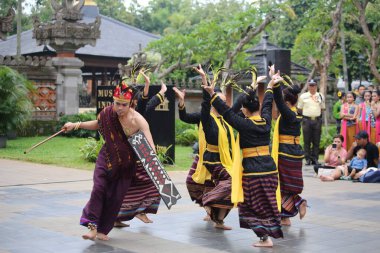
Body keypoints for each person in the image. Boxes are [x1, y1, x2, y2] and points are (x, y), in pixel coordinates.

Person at [63, 81, 157, 241]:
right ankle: (92, 226)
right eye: (116, 103)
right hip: (106, 156)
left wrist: (150, 162)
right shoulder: (108, 113)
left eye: (123, 104)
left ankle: (103, 230)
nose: (119, 108)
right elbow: (97, 124)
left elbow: (150, 147)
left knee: (115, 198)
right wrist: (75, 125)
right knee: (98, 189)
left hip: (126, 164)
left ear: (131, 104)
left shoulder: (139, 121)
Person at [202, 69, 284, 247]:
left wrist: (211, 93)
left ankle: (265, 238)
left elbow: (226, 113)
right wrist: (270, 85)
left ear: (245, 110)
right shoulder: (265, 121)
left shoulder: (244, 124)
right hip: (270, 170)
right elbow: (268, 104)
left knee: (252, 205)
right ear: (258, 108)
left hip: (254, 172)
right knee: (268, 203)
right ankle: (269, 234)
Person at [114, 72, 162, 228]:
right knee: (123, 186)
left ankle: (141, 211)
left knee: (157, 180)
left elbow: (146, 103)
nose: (121, 106)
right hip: (124, 151)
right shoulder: (115, 112)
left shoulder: (138, 113)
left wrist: (154, 88)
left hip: (140, 146)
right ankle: (117, 216)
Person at [271, 71, 306, 227]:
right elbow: (279, 101)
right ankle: (285, 216)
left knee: (283, 183)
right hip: (292, 151)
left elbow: (278, 100)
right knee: (285, 184)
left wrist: (276, 83)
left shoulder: (289, 115)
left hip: (286, 153)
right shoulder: (295, 114)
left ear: (287, 102)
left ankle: (299, 202)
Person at [297, 79, 325, 165]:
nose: (312, 87)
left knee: (316, 140)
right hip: (307, 120)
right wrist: (305, 116)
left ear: (316, 86)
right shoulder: (303, 96)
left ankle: (315, 159)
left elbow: (323, 108)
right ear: (308, 86)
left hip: (317, 120)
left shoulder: (320, 95)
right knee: (307, 140)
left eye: (314, 85)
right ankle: (307, 159)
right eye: (310, 85)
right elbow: (299, 108)